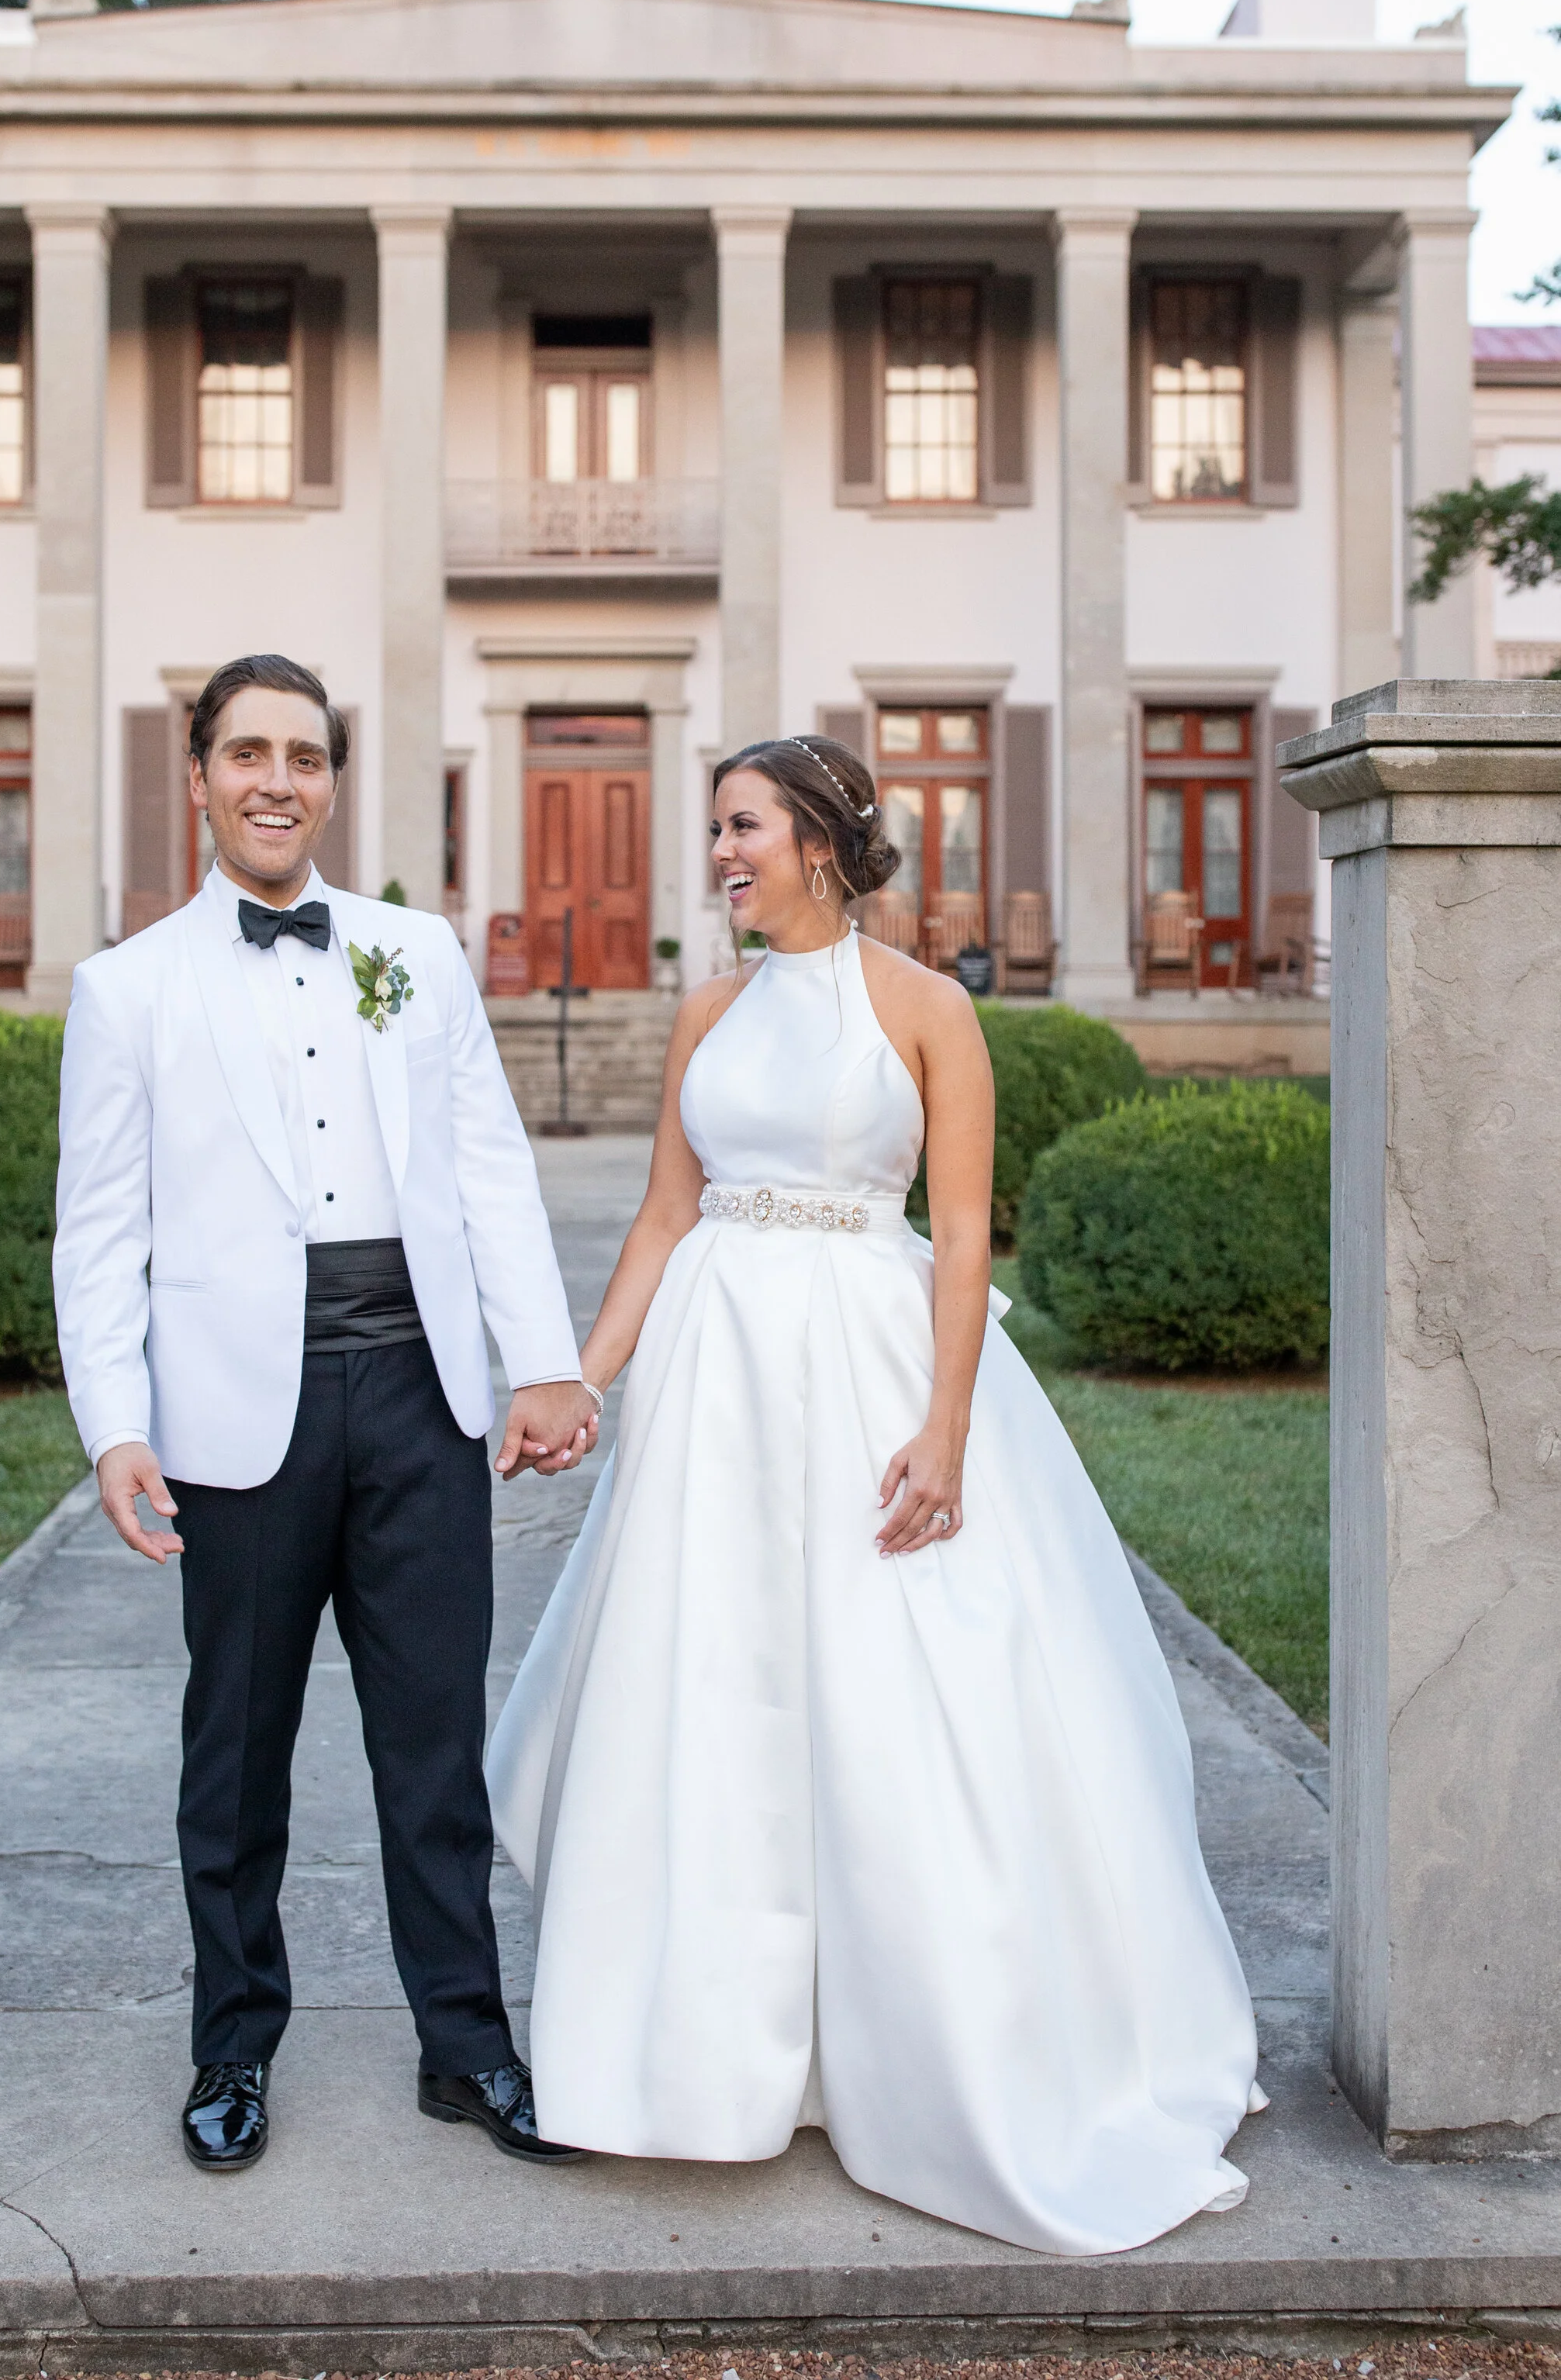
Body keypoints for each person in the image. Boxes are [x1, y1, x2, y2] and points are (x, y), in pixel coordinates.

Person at [487, 732, 1265, 2255]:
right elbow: (661, 1212)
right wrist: (581, 1374)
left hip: (864, 1370)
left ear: (822, 842)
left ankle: (915, 2054)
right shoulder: (702, 1009)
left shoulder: (925, 1008)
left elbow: (962, 1236)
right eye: (715, 829)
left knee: (895, 1694)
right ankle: (702, 2055)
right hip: (712, 1384)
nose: (721, 853)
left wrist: (947, 1428)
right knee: (711, 1692)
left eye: (743, 827)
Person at [54, 652, 596, 2174]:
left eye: (303, 754)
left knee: (433, 1744)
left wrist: (540, 1358)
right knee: (235, 1756)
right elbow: (96, 1233)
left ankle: (464, 2044)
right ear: (201, 775)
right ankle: (232, 2047)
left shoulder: (414, 954)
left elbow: (484, 1164)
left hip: (417, 1400)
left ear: (334, 781)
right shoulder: (126, 988)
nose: (276, 779)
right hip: (235, 1418)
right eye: (247, 753)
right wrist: (115, 1424)